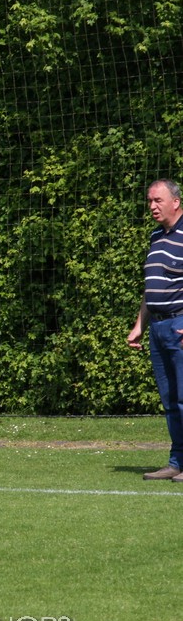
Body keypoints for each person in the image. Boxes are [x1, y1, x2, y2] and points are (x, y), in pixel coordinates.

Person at [128, 179, 183, 481]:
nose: (152, 206)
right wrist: (140, 324)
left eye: (157, 200)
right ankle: (176, 462)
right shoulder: (156, 237)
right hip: (158, 328)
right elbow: (152, 288)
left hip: (179, 325)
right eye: (149, 201)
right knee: (171, 401)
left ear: (176, 201)